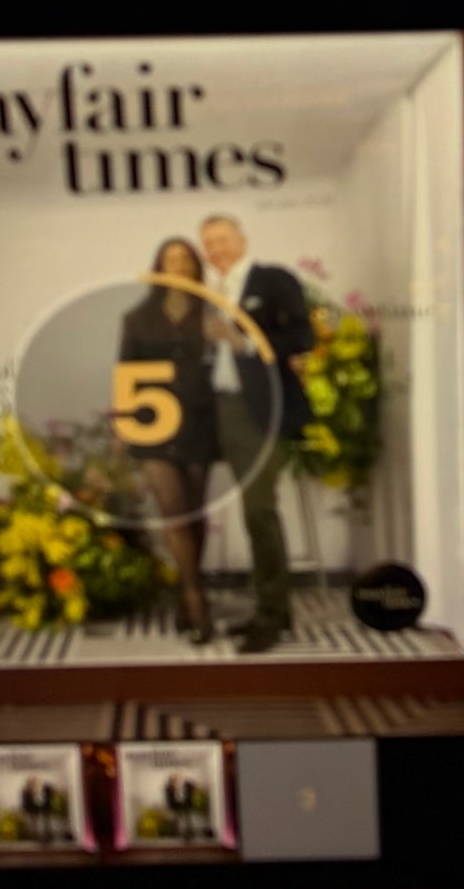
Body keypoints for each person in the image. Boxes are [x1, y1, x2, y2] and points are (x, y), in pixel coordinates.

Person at [197, 214, 316, 651]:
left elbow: (303, 336)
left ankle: (271, 615)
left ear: (242, 239)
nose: (217, 249)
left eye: (223, 239)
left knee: (259, 511)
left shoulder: (273, 279)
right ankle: (274, 610)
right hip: (224, 410)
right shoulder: (206, 292)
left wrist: (246, 343)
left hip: (265, 411)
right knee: (253, 511)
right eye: (209, 243)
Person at [119, 236, 219, 643]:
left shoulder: (213, 310)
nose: (177, 266)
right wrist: (124, 427)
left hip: (199, 422)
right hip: (153, 425)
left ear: (195, 267)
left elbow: (229, 363)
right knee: (173, 512)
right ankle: (196, 598)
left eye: (184, 260)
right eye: (169, 260)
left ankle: (184, 593)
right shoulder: (136, 318)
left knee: (195, 513)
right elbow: (126, 372)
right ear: (158, 268)